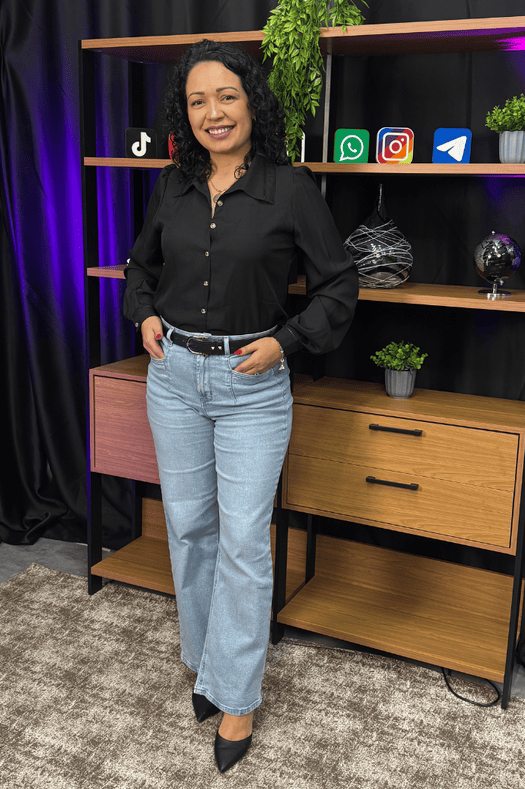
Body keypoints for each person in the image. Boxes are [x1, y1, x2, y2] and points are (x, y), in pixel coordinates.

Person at [123, 39, 358, 773]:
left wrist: (285, 343)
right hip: (173, 378)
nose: (213, 112)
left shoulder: (291, 188)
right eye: (197, 101)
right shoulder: (174, 184)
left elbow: (339, 284)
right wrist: (143, 314)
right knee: (189, 527)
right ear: (184, 113)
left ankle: (237, 696)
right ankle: (208, 665)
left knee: (244, 542)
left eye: (226, 96)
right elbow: (140, 266)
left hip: (251, 386)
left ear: (252, 102)